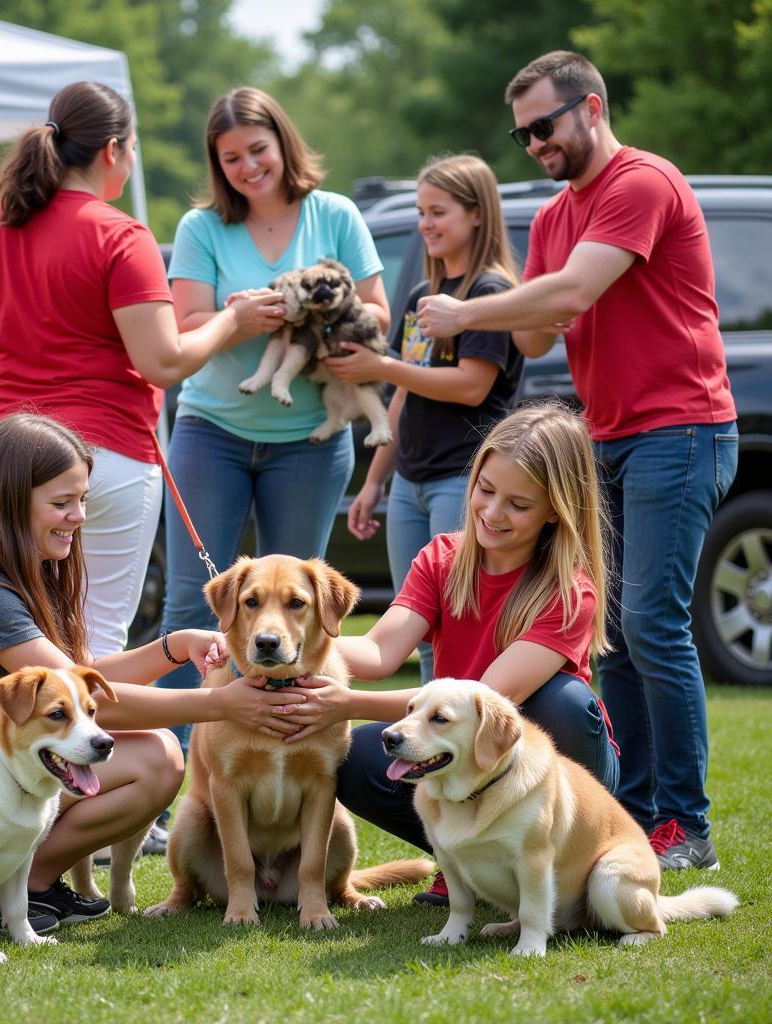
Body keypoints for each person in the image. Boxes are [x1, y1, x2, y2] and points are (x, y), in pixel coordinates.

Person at [418, 51, 738, 871]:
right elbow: (538, 330)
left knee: (654, 625)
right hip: (604, 437)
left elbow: (566, 296)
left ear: (591, 107)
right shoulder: (559, 216)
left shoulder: (641, 182)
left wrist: (466, 310)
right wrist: (487, 296)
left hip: (682, 427)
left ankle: (687, 826)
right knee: (616, 637)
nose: (534, 145)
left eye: (546, 126)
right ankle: (633, 816)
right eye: (522, 134)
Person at [0, 413, 313, 929]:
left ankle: (24, 883)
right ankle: (17, 888)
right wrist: (220, 703)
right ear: (8, 502)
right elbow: (81, 696)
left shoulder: (30, 572)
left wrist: (174, 647)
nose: (78, 516)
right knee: (157, 758)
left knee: (152, 748)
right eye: (62, 503)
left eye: (83, 499)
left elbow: (79, 676)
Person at [0, 81, 279, 666]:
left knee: (13, 640)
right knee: (96, 643)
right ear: (113, 150)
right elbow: (163, 360)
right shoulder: (120, 234)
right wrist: (233, 321)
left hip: (5, 457)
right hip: (108, 453)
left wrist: (36, 340)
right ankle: (103, 759)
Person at [262, 402, 618, 907]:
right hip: (457, 752)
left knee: (558, 703)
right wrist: (283, 641)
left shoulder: (568, 591)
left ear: (556, 511)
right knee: (358, 756)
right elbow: (378, 652)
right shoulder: (442, 559)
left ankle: (558, 864)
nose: (492, 513)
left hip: (552, 763)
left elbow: (491, 697)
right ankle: (465, 865)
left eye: (518, 504)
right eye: (485, 490)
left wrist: (345, 703)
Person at [155, 86, 391, 749]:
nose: (248, 166)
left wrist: (317, 311)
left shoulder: (335, 214)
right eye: (230, 158)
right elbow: (185, 325)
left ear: (283, 144)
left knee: (297, 614)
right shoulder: (202, 227)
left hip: (307, 445)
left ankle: (294, 759)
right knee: (188, 604)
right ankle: (166, 777)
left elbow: (377, 312)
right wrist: (240, 318)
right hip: (212, 433)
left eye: (258, 149)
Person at [326, 153, 523, 681]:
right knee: (420, 628)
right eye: (420, 211)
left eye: (439, 212)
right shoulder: (420, 296)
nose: (425, 225)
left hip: (463, 482)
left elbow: (471, 384)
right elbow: (402, 396)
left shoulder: (489, 294)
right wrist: (373, 483)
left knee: (463, 626)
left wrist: (382, 365)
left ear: (476, 213)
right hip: (409, 485)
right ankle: (432, 752)